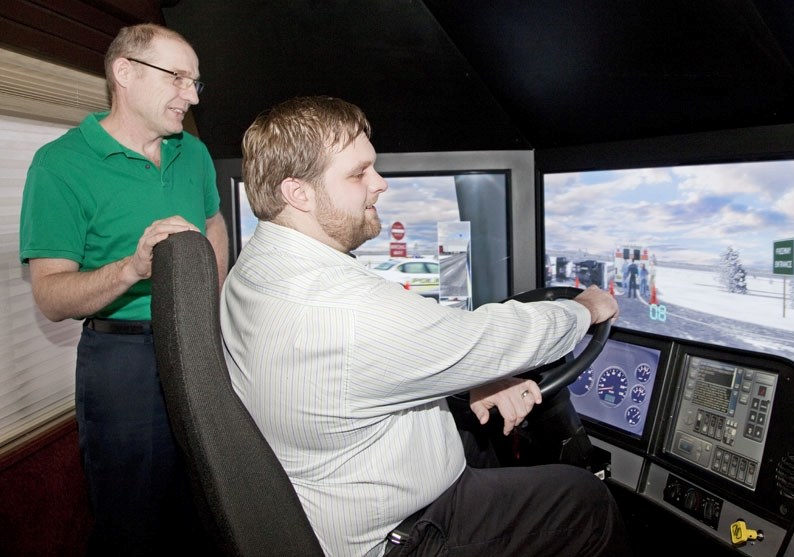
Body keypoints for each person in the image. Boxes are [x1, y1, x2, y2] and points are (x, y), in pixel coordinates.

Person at [220, 96, 629, 557]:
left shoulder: (255, 267)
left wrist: (470, 379)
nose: (379, 184)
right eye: (358, 174)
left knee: (485, 438)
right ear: (298, 193)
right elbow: (490, 340)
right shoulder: (343, 309)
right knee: (584, 501)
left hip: (339, 487)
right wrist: (585, 308)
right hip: (397, 536)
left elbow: (365, 370)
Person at [19, 23, 228, 556]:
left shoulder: (194, 154)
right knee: (133, 523)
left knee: (209, 506)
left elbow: (214, 226)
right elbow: (50, 295)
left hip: (200, 347)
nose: (191, 94)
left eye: (196, 82)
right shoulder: (59, 164)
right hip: (121, 361)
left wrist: (214, 301)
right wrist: (132, 267)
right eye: (178, 77)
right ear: (124, 73)